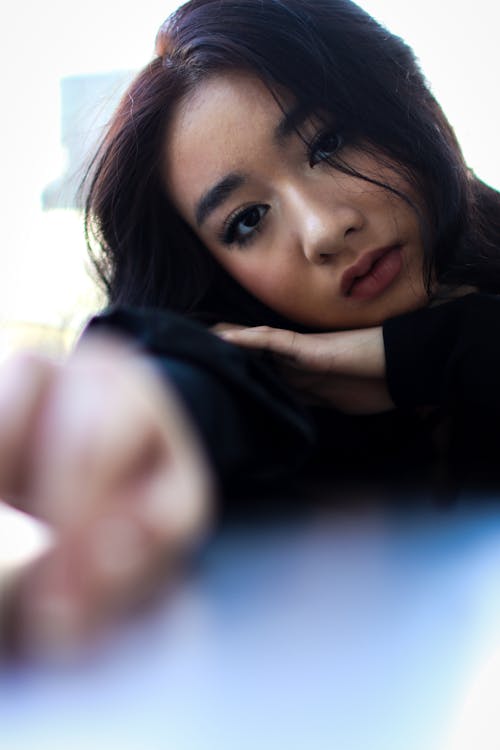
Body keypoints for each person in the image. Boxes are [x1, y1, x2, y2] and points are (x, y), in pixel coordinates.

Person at [1, 0, 500, 653]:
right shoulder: (276, 401)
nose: (324, 229)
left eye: (328, 142)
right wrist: (148, 401)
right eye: (247, 221)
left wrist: (418, 355)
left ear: (400, 99)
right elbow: (210, 380)